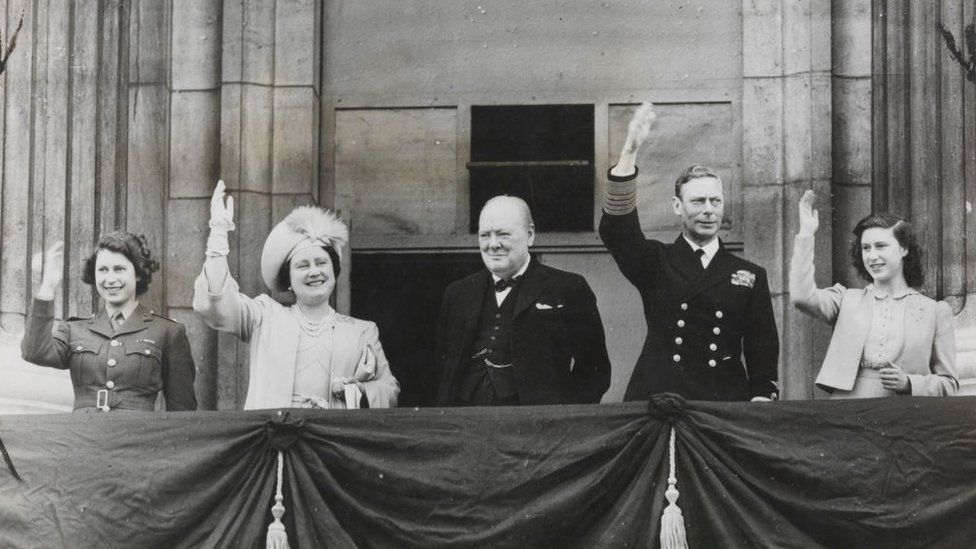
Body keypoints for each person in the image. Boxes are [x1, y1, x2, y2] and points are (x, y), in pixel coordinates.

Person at [599, 103, 779, 401]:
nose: (709, 211)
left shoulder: (749, 275)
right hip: (660, 396)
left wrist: (761, 396)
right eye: (698, 202)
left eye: (715, 202)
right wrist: (629, 150)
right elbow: (616, 230)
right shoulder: (656, 262)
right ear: (677, 206)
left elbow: (762, 347)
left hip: (723, 400)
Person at [193, 181, 399, 410]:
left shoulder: (362, 331)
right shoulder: (264, 317)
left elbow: (390, 391)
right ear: (288, 280)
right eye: (302, 266)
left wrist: (357, 391)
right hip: (275, 441)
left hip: (333, 442)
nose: (314, 272)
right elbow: (215, 303)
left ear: (334, 271)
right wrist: (218, 238)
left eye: (321, 263)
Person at [435, 195, 612, 406]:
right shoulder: (457, 293)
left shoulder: (568, 288)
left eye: (503, 234)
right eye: (484, 235)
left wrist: (562, 421)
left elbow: (595, 370)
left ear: (530, 235)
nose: (493, 245)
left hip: (534, 427)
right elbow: (442, 366)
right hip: (466, 423)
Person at [789, 190, 958, 397]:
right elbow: (801, 297)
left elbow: (949, 383)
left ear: (904, 249)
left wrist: (910, 383)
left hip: (904, 417)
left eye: (881, 246)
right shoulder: (845, 299)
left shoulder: (935, 311)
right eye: (866, 248)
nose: (872, 256)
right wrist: (806, 234)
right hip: (847, 410)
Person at [22, 234, 198, 412]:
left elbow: (182, 412)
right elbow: (34, 352)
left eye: (119, 269)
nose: (110, 279)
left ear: (138, 273)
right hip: (83, 436)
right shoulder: (74, 329)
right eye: (103, 270)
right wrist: (48, 286)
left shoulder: (167, 331)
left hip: (137, 438)